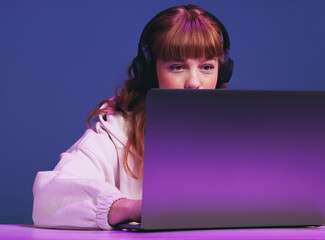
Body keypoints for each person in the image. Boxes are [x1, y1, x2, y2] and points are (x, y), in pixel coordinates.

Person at [32, 4, 234, 230]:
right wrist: (129, 207)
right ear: (148, 71)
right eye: (177, 67)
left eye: (207, 67)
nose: (194, 82)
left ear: (222, 71)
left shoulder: (244, 134)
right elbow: (49, 197)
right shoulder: (116, 135)